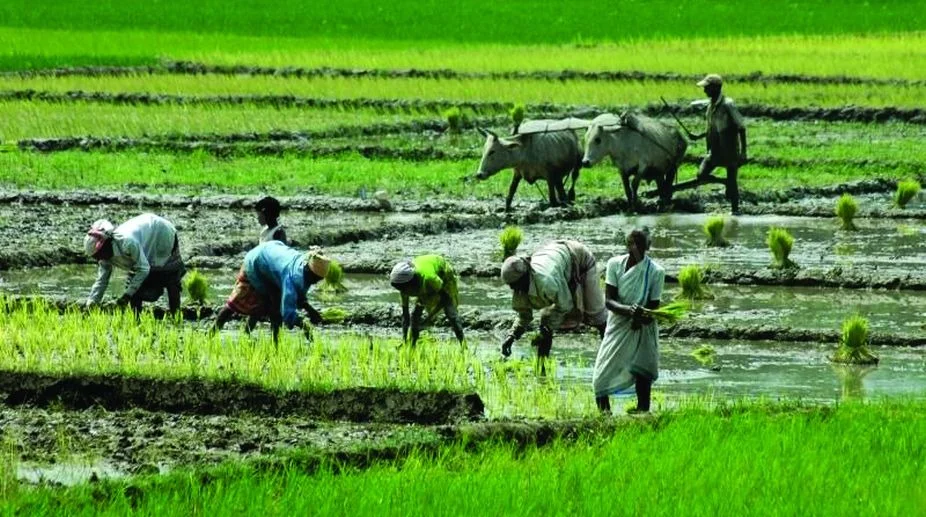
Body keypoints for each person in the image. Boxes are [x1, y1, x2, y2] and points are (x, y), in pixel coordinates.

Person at [499, 240, 607, 366]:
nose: (512, 289)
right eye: (510, 286)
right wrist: (512, 336)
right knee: (545, 323)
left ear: (524, 277)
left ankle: (612, 354)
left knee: (596, 314)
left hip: (579, 258)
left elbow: (565, 305)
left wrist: (548, 326)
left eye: (514, 285)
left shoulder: (546, 282)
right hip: (555, 258)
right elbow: (524, 315)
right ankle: (541, 369)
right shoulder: (520, 288)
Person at [592, 228, 665, 414]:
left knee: (642, 372)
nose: (636, 248)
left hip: (643, 326)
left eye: (641, 244)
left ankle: (643, 413)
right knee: (601, 376)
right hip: (618, 324)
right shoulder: (614, 264)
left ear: (646, 247)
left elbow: (654, 306)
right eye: (633, 243)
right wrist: (629, 311)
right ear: (628, 245)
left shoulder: (656, 271)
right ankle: (604, 415)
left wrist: (640, 318)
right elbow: (609, 301)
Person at [212, 241, 329, 343]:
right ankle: (211, 333)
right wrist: (305, 326)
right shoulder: (293, 279)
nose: (315, 283)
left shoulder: (304, 265)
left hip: (270, 256)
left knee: (268, 303)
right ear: (309, 272)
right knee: (237, 302)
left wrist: (309, 309)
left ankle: (255, 337)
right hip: (256, 262)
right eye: (315, 279)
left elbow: (299, 295)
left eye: (319, 280)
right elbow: (288, 314)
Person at [83, 213, 185, 315]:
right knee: (134, 284)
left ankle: (175, 315)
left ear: (105, 245)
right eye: (96, 257)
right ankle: (136, 320)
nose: (99, 260)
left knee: (170, 277)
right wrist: (91, 303)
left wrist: (127, 295)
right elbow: (102, 280)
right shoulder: (104, 257)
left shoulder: (127, 243)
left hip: (161, 233)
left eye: (98, 255)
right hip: (144, 240)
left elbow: (143, 268)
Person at [685, 74, 747, 214]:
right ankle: (725, 182)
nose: (704, 90)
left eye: (707, 88)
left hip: (730, 149)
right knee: (701, 175)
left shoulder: (727, 105)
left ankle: (735, 212)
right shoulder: (710, 106)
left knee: (733, 186)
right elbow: (711, 128)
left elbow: (741, 127)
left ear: (715, 88)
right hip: (714, 150)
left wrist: (743, 152)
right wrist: (699, 135)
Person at [389, 255, 465, 347]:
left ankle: (463, 345)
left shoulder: (430, 279)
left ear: (410, 284)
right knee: (414, 316)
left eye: (405, 289)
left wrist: (429, 318)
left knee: (451, 313)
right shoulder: (403, 287)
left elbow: (445, 299)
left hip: (443, 273)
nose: (403, 292)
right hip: (423, 274)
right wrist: (405, 340)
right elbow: (405, 316)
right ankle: (411, 345)